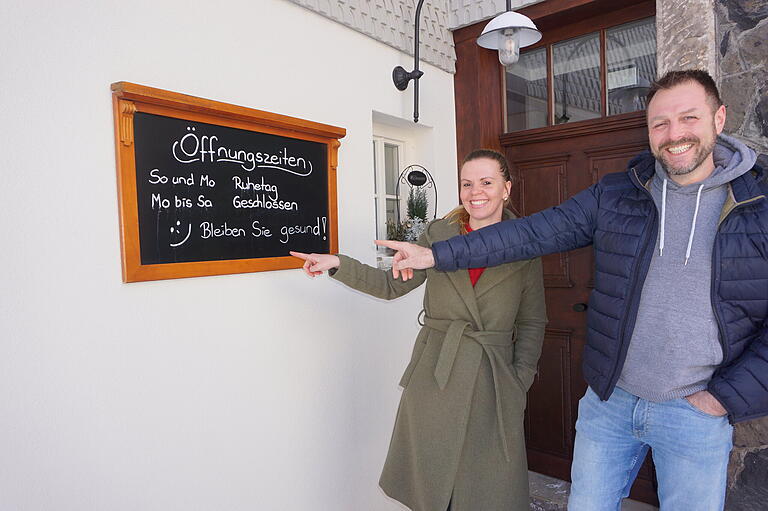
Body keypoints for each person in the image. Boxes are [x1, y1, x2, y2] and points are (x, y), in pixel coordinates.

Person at [377, 70, 768, 510]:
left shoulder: (759, 207)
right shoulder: (617, 194)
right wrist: (437, 255)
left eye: (688, 118)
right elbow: (532, 233)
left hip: (695, 413)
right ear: (648, 129)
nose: (674, 134)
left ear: (719, 118)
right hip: (611, 403)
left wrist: (722, 399)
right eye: (660, 122)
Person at [290, 149, 547, 511]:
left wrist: (520, 377)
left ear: (506, 188)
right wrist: (337, 264)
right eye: (467, 184)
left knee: (489, 490)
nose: (476, 192)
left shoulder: (526, 245)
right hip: (437, 373)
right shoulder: (438, 234)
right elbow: (390, 286)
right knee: (434, 483)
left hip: (494, 377)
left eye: (487, 182)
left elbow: (533, 320)